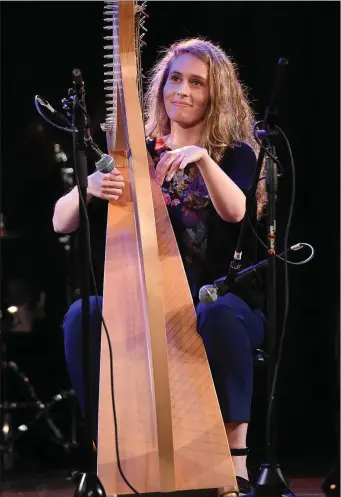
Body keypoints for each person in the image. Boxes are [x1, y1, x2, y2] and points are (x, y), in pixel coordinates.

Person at [53, 38, 267, 495]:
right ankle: (106, 448)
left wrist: (204, 160)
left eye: (197, 83)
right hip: (146, 307)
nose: (182, 91)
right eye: (175, 78)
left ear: (216, 95)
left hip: (222, 302)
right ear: (160, 86)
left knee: (216, 314)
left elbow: (236, 211)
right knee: (81, 317)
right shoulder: (134, 154)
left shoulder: (235, 154)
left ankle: (237, 457)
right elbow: (60, 221)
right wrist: (89, 186)